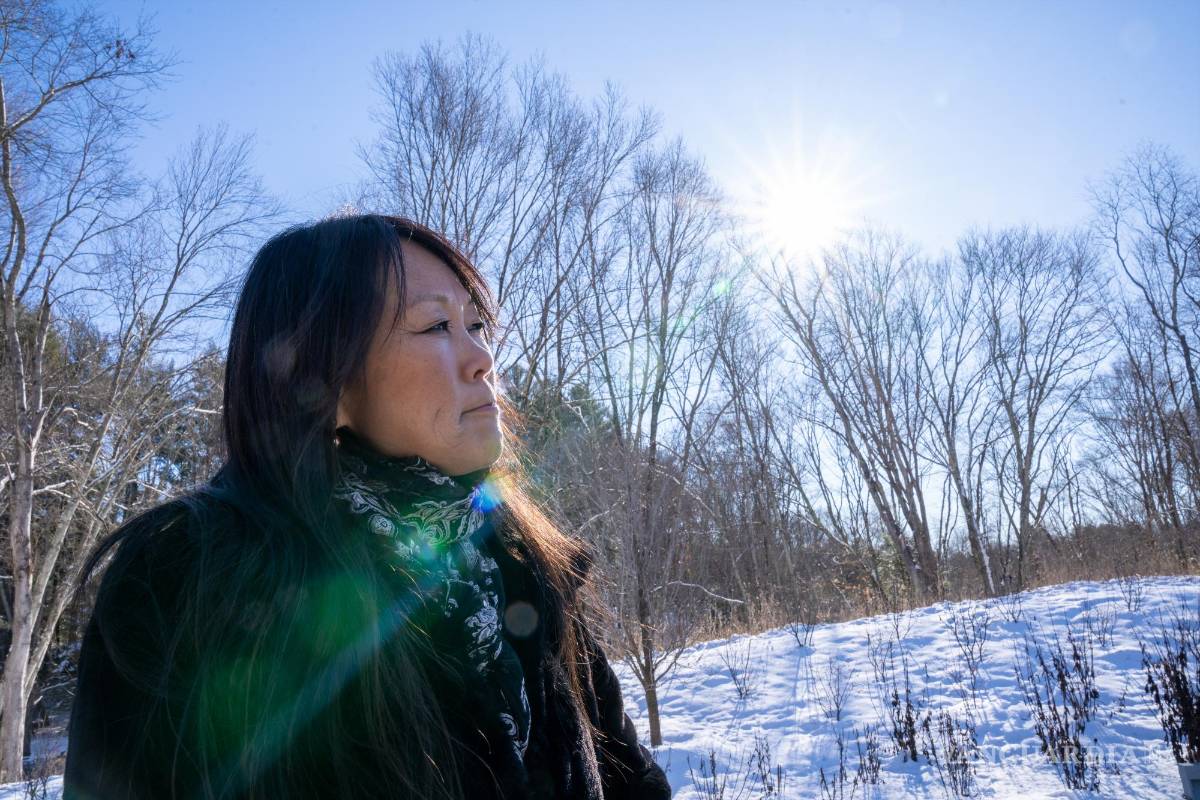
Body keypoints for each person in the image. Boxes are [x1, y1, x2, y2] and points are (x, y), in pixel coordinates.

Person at [62, 214, 672, 799]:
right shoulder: (189, 580)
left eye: (476, 324)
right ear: (324, 382)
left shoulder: (521, 560)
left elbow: (630, 780)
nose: (482, 357)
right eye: (436, 326)